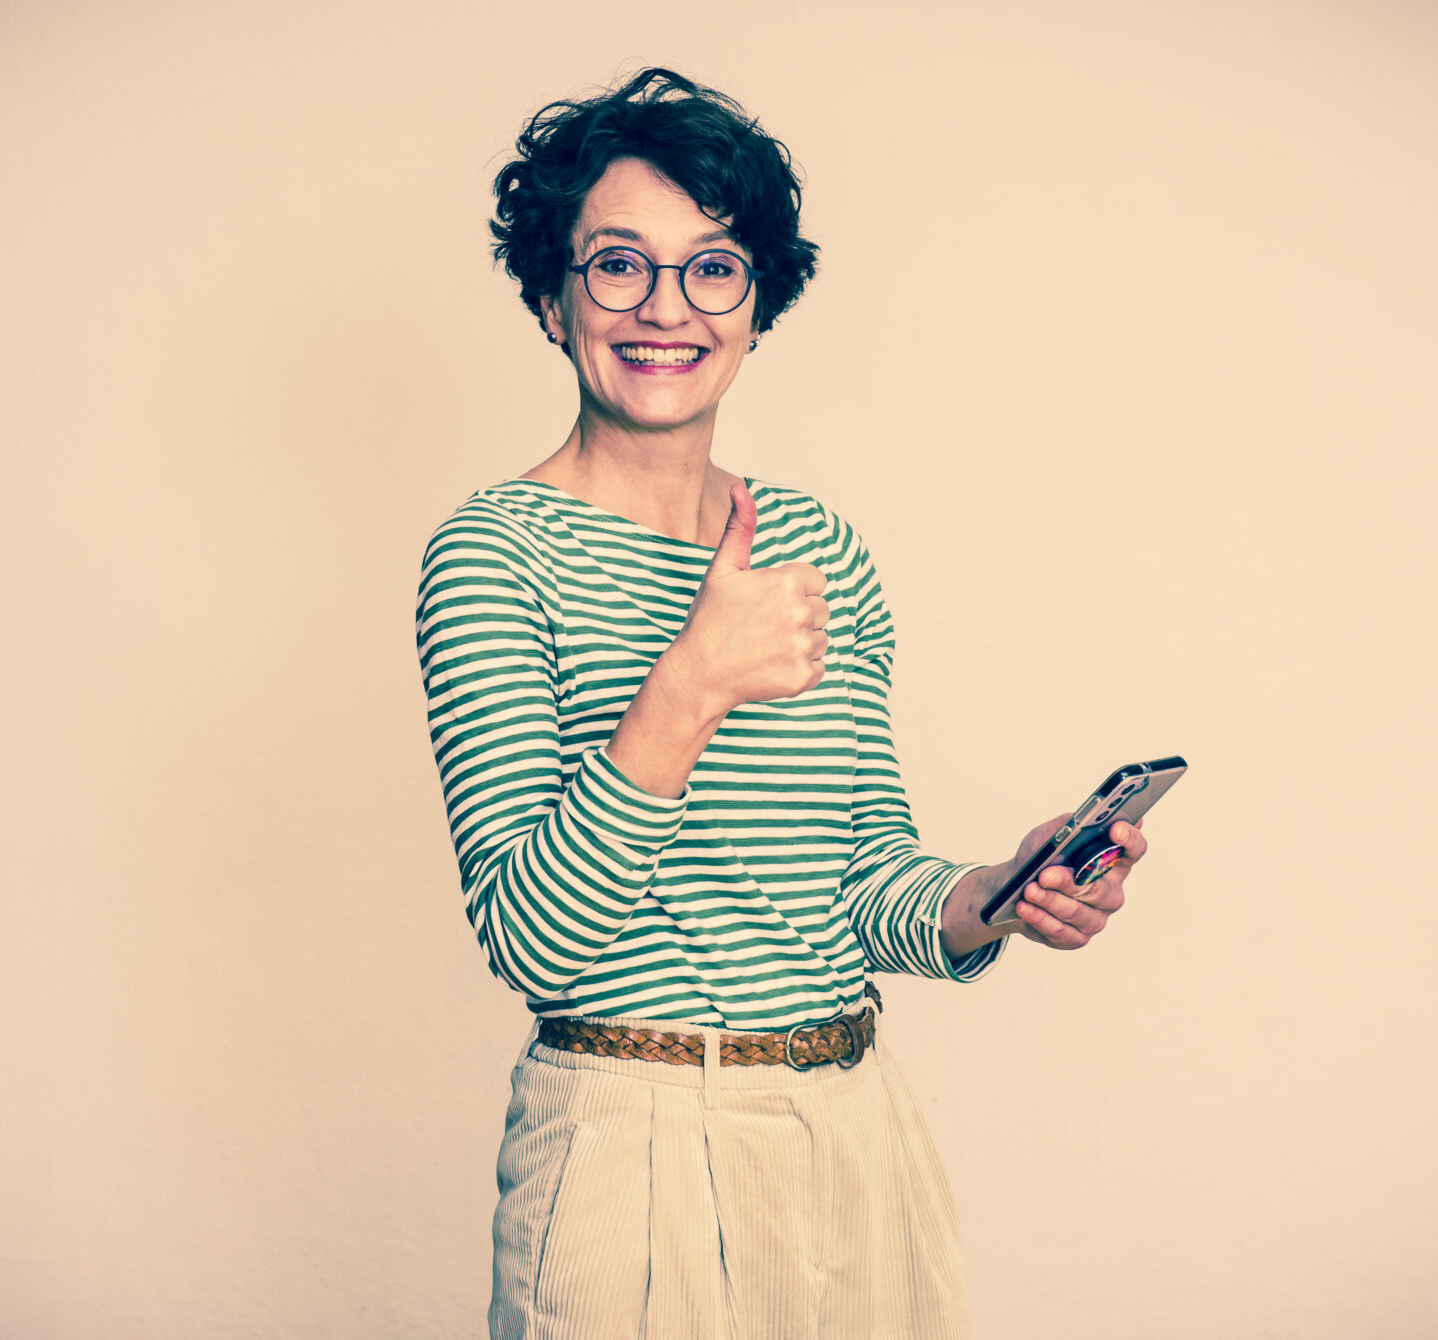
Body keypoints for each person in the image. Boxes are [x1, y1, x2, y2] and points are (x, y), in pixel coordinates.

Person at [414, 68, 1151, 1340]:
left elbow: (863, 877)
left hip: (853, 1127)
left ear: (757, 303)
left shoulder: (822, 551)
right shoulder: (493, 552)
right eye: (617, 266)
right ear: (550, 296)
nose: (666, 308)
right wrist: (690, 682)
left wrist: (1000, 891)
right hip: (628, 1137)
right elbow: (532, 942)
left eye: (714, 268)